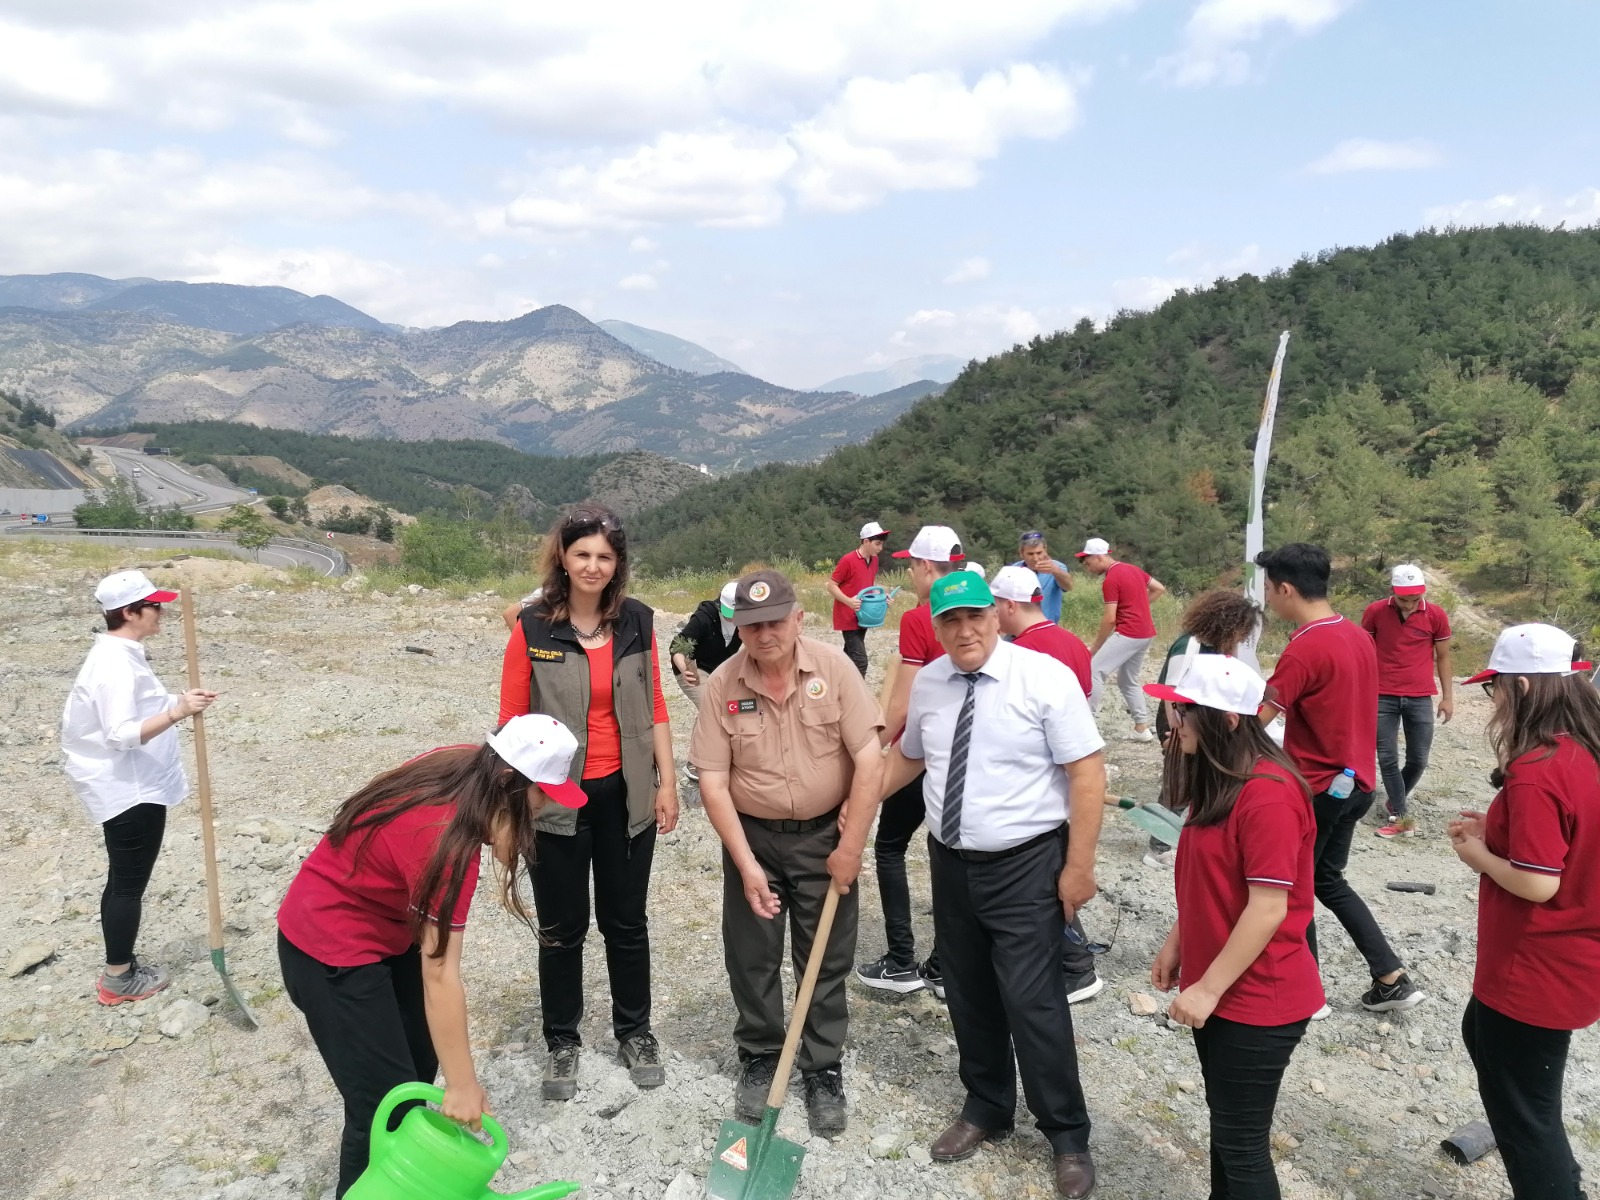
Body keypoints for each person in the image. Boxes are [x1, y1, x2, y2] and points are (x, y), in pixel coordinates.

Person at [277, 715, 586, 1197]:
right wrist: (463, 1085)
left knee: (414, 1071)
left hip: (385, 935)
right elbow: (440, 975)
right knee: (384, 1106)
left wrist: (455, 1077)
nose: (545, 808)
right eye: (542, 793)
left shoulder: (469, 767)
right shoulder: (446, 844)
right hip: (328, 949)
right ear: (508, 781)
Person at [883, 571, 1106, 1199]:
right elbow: (913, 757)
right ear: (936, 625)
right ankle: (986, 1108)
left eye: (974, 617)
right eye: (950, 621)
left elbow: (1087, 773)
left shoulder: (1043, 679)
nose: (964, 631)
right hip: (951, 861)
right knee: (968, 991)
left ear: (995, 615)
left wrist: (1079, 867)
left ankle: (1067, 1135)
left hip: (1027, 864)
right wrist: (854, 804)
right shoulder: (930, 683)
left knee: (1032, 1001)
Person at [691, 569, 885, 1137]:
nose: (764, 633)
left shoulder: (836, 669)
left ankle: (822, 1068)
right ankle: (759, 1054)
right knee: (751, 953)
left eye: (775, 620)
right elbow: (712, 779)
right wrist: (747, 863)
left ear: (798, 619)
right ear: (739, 627)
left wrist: (851, 847)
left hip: (827, 836)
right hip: (754, 837)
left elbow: (870, 760)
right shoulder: (722, 684)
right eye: (751, 625)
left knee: (825, 957)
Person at [498, 504, 678, 1101]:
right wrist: (512, 807)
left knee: (627, 924)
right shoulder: (531, 629)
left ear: (617, 563)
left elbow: (654, 707)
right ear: (563, 559)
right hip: (554, 802)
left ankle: (635, 1032)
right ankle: (562, 1042)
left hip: (626, 796)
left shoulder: (638, 624)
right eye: (582, 555)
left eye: (605, 556)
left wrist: (668, 782)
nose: (593, 566)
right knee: (561, 928)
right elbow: (510, 724)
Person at [1146, 656, 1323, 1200]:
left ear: (1226, 721)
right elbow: (1217, 884)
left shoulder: (1267, 794)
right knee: (1227, 1136)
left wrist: (1208, 988)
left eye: (1183, 712)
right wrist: (1179, 942)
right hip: (1223, 985)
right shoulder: (1222, 779)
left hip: (1257, 997)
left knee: (1242, 1147)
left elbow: (1269, 908)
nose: (1173, 723)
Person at [1450, 623, 1600, 1200]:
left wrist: (1480, 853)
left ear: (1522, 686)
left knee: (1528, 1118)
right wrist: (1500, 827)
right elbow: (1572, 837)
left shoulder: (1537, 768)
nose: (1497, 701)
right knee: (1502, 1060)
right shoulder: (1584, 749)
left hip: (1535, 962)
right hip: (1574, 956)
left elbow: (1538, 883)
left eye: (1497, 689)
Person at [1255, 543, 1425, 1016]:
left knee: (1292, 888)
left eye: (1269, 589)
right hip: (1359, 784)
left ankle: (1304, 991)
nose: (1268, 598)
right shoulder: (1356, 634)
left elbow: (1258, 719)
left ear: (1287, 588)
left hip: (1318, 789)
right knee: (1326, 880)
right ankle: (1391, 976)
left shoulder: (1304, 647)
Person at [61, 570, 218, 1005]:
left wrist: (178, 701)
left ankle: (121, 965)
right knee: (128, 885)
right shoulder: (113, 666)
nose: (161, 612)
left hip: (131, 783)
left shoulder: (123, 653)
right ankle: (118, 979)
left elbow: (139, 708)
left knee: (121, 881)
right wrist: (179, 712)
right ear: (130, 613)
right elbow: (121, 733)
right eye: (154, 606)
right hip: (130, 791)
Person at [855, 524, 965, 998]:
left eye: (911, 564)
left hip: (919, 753)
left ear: (922, 566)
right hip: (964, 757)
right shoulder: (976, 613)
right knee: (950, 853)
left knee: (890, 846)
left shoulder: (922, 618)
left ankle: (902, 960)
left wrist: (878, 743)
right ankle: (945, 964)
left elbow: (905, 700)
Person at [991, 563, 1102, 1003]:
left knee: (1048, 879)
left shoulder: (1028, 653)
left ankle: (1076, 966)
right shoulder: (1071, 640)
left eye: (994, 607)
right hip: (1071, 764)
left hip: (1046, 776)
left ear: (1009, 605)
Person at [1144, 590, 1264, 870]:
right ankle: (1158, 847)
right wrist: (1176, 729)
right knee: (1179, 781)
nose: (1241, 637)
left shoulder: (1217, 647)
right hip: (1181, 718)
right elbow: (1172, 691)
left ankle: (1183, 837)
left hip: (1200, 720)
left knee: (1197, 777)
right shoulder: (1190, 645)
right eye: (1240, 630)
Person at [1361, 564, 1454, 838]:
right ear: (1393, 592)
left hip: (1420, 695)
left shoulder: (1436, 615)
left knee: (1419, 759)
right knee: (1387, 757)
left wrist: (1448, 697)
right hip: (1381, 694)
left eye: (1416, 599)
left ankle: (1394, 799)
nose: (1411, 605)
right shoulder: (1375, 611)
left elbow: (1444, 657)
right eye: (1404, 600)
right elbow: (1364, 654)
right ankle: (1400, 816)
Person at [1076, 537, 1166, 741]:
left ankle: (1085, 727)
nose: (1088, 569)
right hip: (1146, 634)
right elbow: (1159, 588)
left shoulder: (1111, 579)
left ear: (1098, 557)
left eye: (1089, 563)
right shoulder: (1134, 569)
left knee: (1095, 669)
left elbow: (1109, 619)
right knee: (1127, 680)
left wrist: (1095, 649)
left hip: (1129, 632)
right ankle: (1142, 728)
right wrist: (1139, 606)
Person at [670, 580, 742, 785]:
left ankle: (725, 753)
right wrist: (684, 669)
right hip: (693, 668)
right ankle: (694, 762)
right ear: (721, 604)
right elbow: (678, 646)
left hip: (719, 670)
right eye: (731, 611)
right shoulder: (704, 618)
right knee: (709, 707)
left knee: (734, 708)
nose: (735, 616)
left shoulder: (745, 621)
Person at [827, 520, 889, 676]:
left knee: (848, 656)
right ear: (866, 541)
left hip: (864, 616)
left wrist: (882, 597)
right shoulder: (848, 560)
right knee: (860, 661)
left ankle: (835, 685)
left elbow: (868, 585)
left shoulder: (874, 560)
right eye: (877, 544)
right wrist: (849, 601)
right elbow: (831, 585)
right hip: (848, 617)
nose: (880, 548)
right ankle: (856, 695)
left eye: (881, 544)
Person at [1011, 530, 1074, 624]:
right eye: (1030, 554)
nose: (1035, 558)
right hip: (1018, 628)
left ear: (1045, 550)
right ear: (1021, 553)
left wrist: (1055, 571)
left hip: (1046, 627)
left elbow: (1068, 586)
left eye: (1039, 553)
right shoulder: (1013, 570)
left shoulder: (1057, 567)